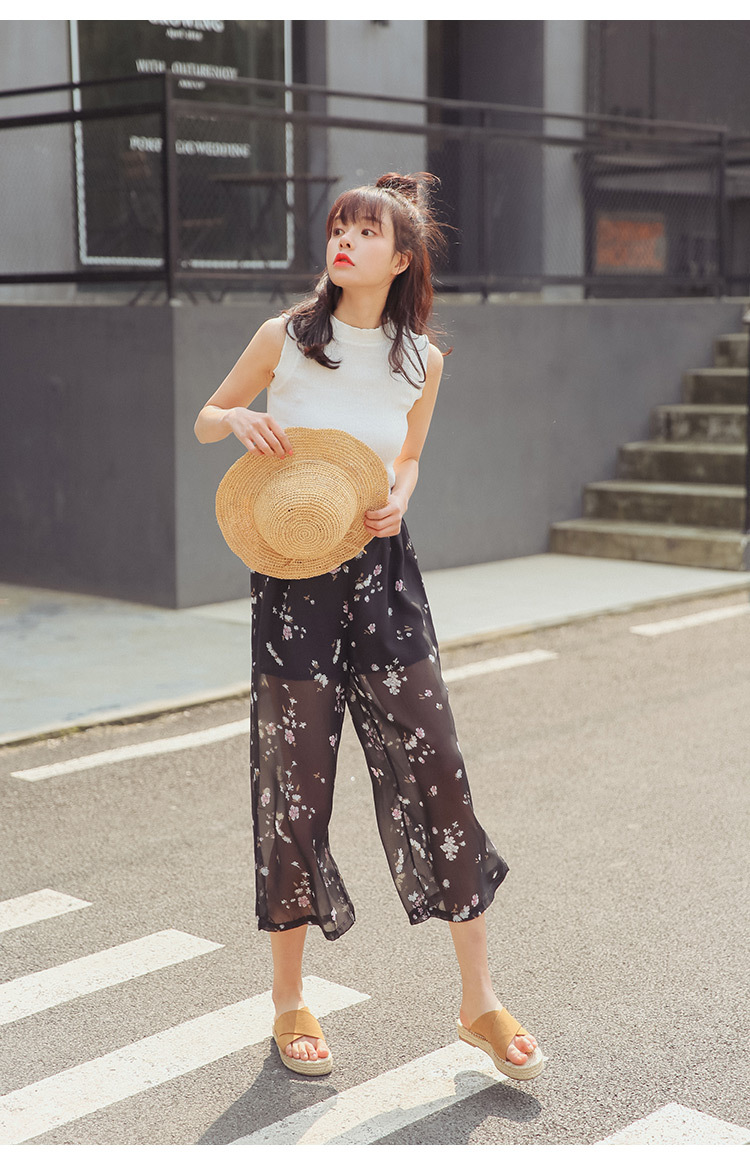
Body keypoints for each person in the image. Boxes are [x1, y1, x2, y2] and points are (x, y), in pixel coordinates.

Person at [194, 172, 545, 1081]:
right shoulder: (284, 338)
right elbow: (205, 419)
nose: (344, 241)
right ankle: (288, 999)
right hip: (293, 587)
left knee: (440, 768)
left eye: (363, 231)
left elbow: (412, 456)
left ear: (400, 257)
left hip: (385, 580)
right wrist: (239, 420)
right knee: (294, 787)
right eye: (337, 228)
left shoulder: (422, 361)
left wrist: (399, 495)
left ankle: (479, 1001)